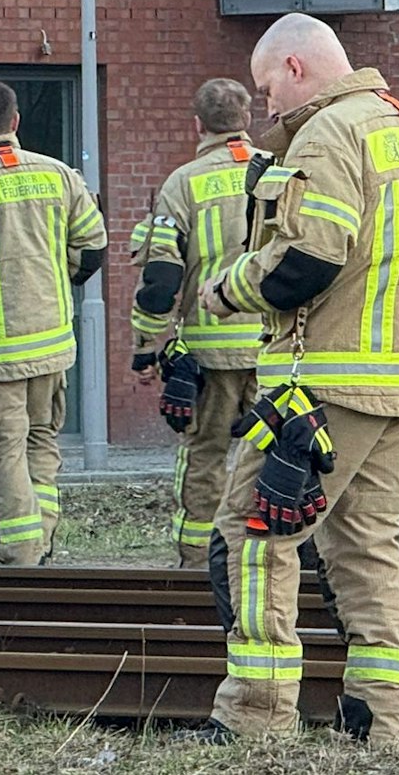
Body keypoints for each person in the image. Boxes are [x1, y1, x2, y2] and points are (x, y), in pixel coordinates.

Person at [190, 14, 399, 748]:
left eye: (267, 87)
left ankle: (256, 715)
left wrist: (229, 286)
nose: (265, 106)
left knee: (253, 533)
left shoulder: (329, 133)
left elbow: (308, 261)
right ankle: (382, 721)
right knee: (368, 544)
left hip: (323, 384)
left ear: (295, 67)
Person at [0, 82, 106, 564]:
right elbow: (93, 247)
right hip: (53, 343)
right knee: (43, 439)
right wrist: (59, 279)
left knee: (5, 448)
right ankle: (45, 537)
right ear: (16, 122)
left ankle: (19, 550)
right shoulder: (59, 176)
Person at [130, 79, 263, 566]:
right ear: (248, 120)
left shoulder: (184, 183)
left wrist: (146, 346)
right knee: (274, 455)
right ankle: (263, 556)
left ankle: (198, 559)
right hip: (276, 352)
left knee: (205, 454)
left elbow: (161, 278)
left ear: (198, 125)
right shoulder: (280, 173)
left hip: (211, 352)